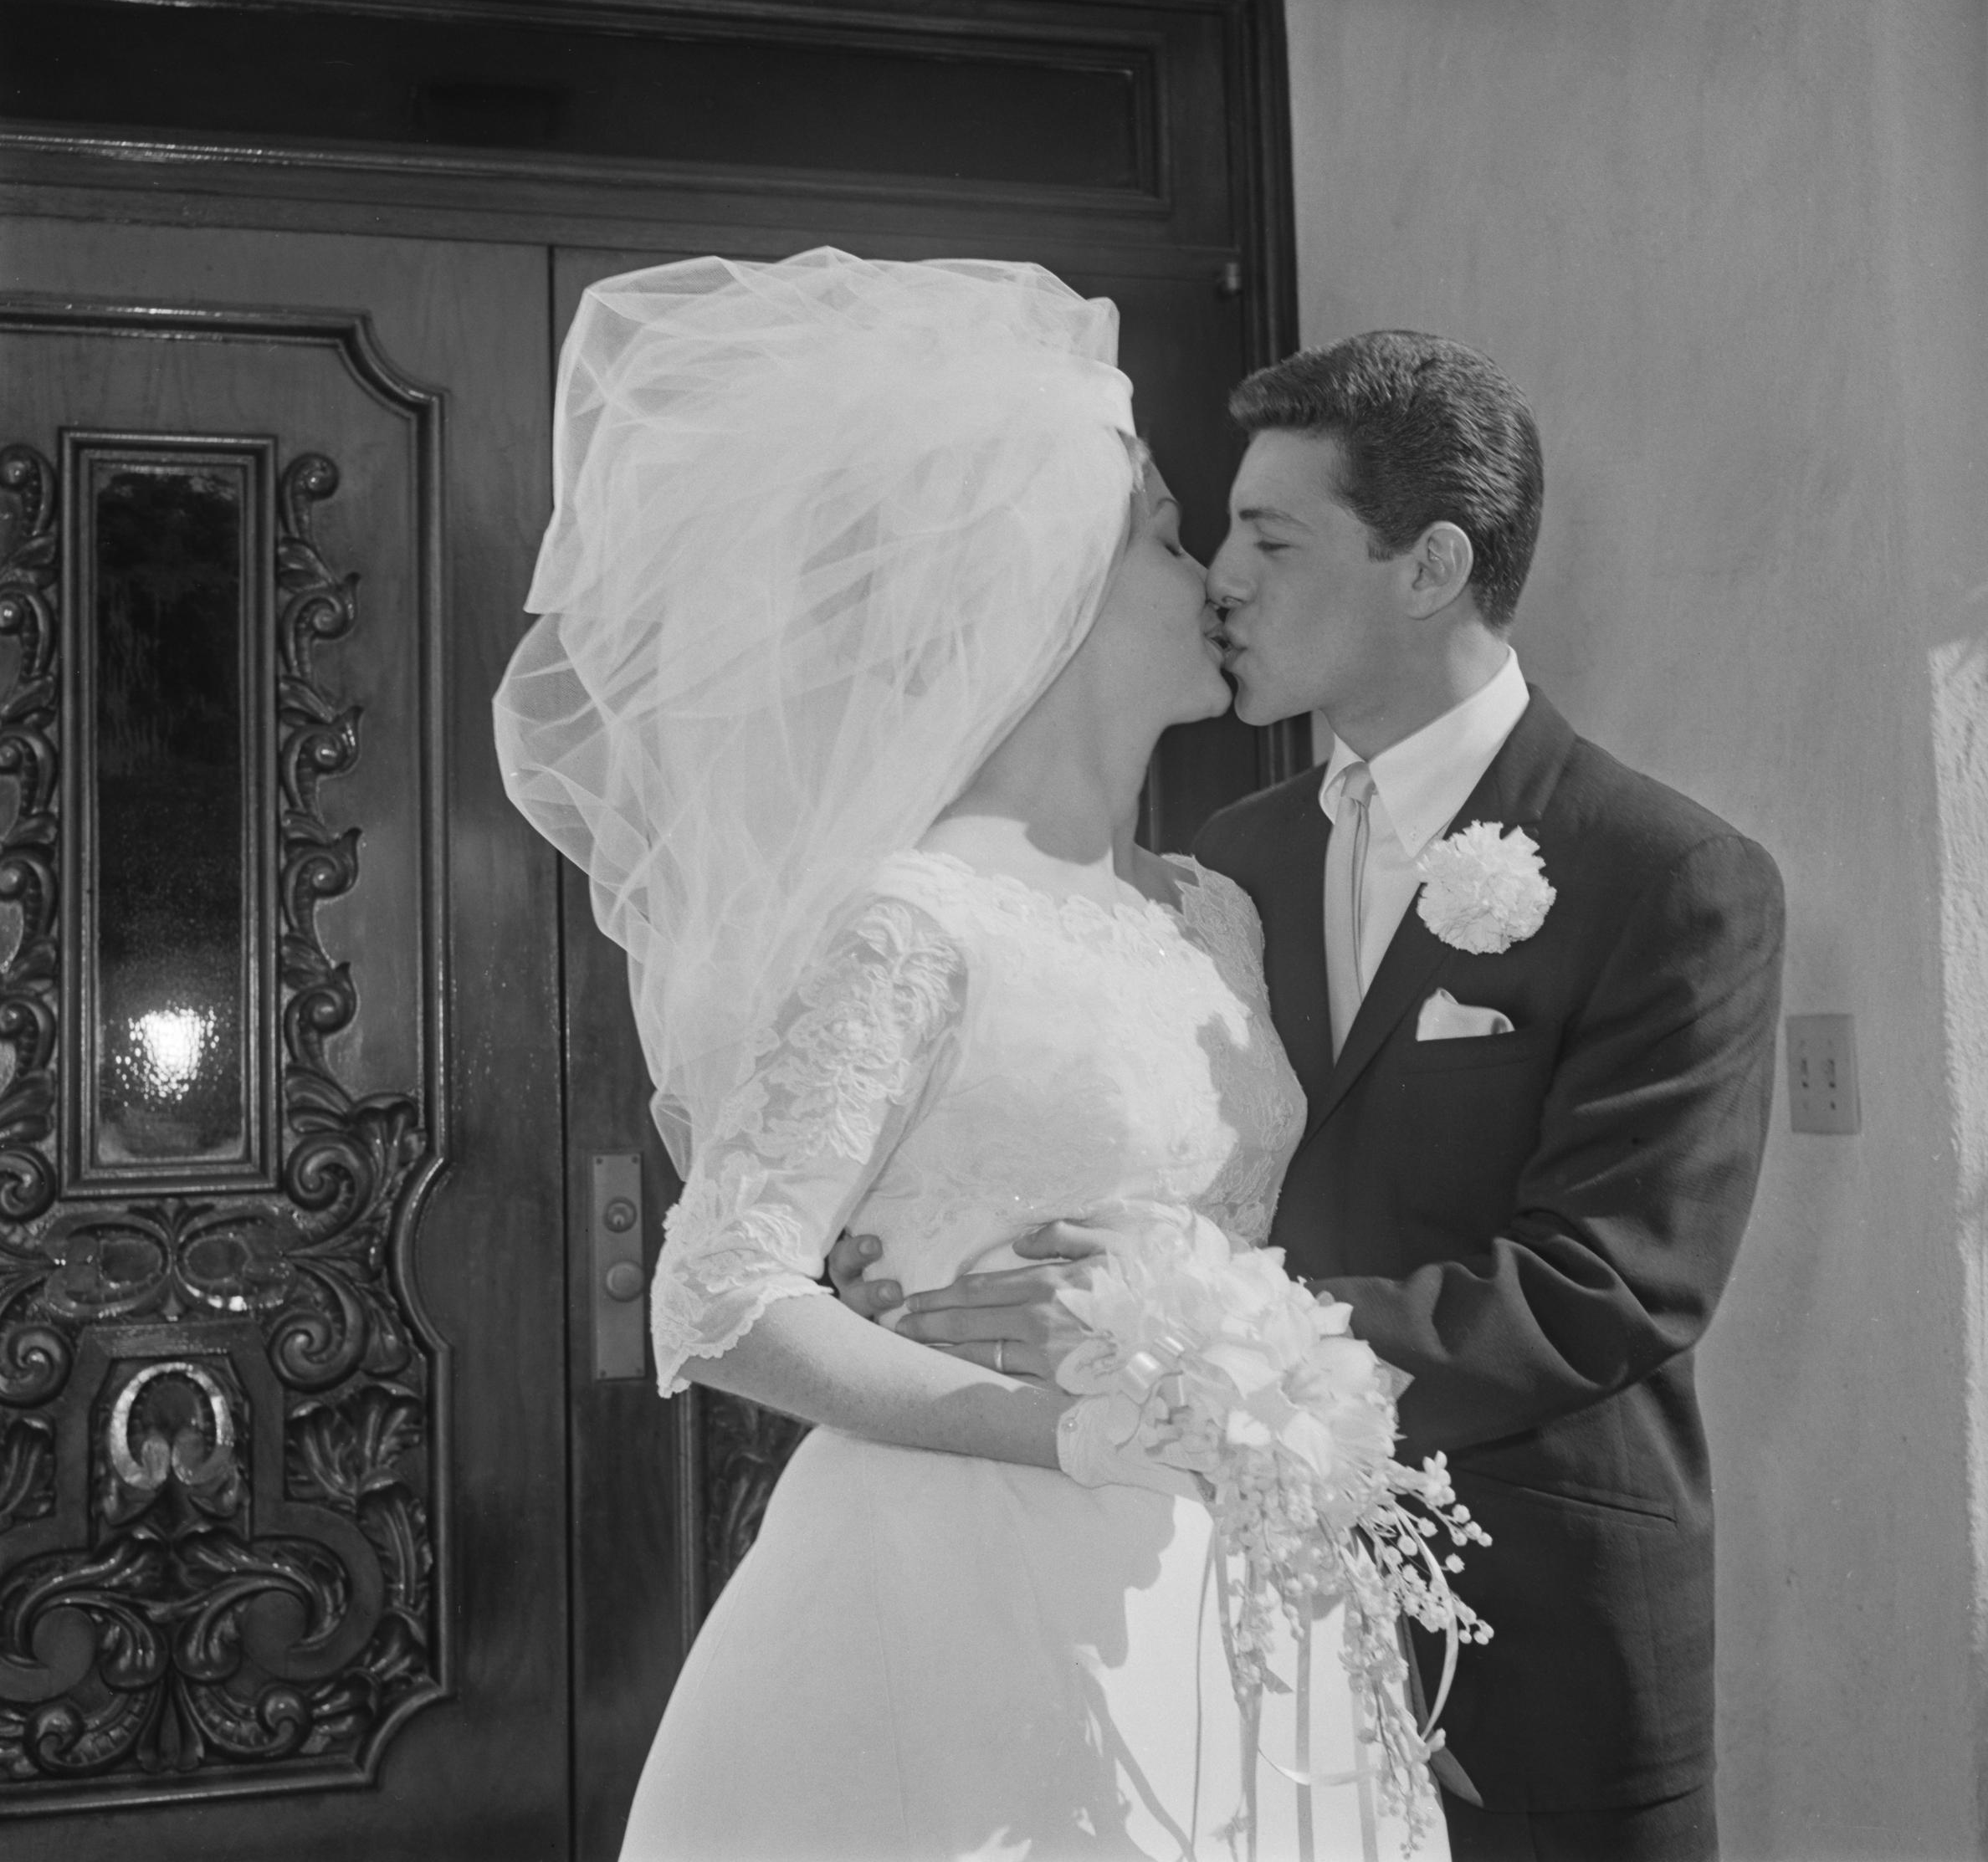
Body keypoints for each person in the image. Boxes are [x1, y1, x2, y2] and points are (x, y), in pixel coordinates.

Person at [494, 252, 1450, 1862]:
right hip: (952, 1580)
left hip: (1229, 1580)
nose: (1210, 575)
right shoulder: (915, 916)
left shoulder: (1214, 908)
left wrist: (1248, 1377)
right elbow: (721, 1297)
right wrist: (1069, 1430)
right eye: (1165, 537)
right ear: (1053, 584)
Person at [861, 333, 1786, 1862]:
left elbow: (1609, 1288)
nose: (1221, 572)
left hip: (1532, 1625)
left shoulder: (1668, 875)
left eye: (1271, 538)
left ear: (1428, 568)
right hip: (1215, 1610)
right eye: (1218, 530)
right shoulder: (1238, 860)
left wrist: (1184, 1341)